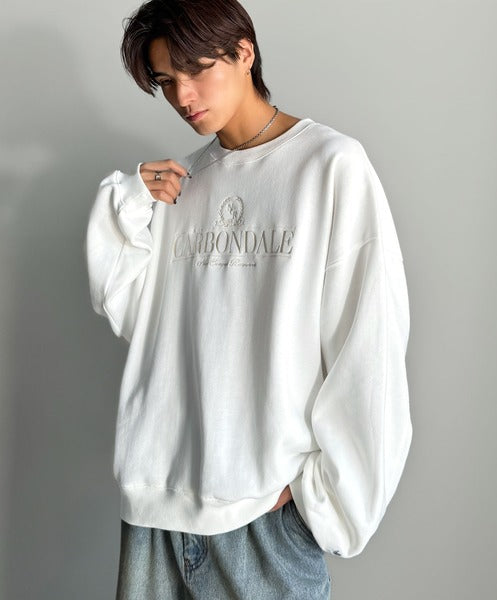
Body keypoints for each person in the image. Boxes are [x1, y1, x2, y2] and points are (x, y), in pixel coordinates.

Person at [84, 0, 413, 598]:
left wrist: (327, 499)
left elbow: (369, 344)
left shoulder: (329, 166)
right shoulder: (179, 186)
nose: (183, 96)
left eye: (196, 69)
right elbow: (136, 319)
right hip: (154, 514)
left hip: (262, 521)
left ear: (243, 52)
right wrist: (128, 206)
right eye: (166, 80)